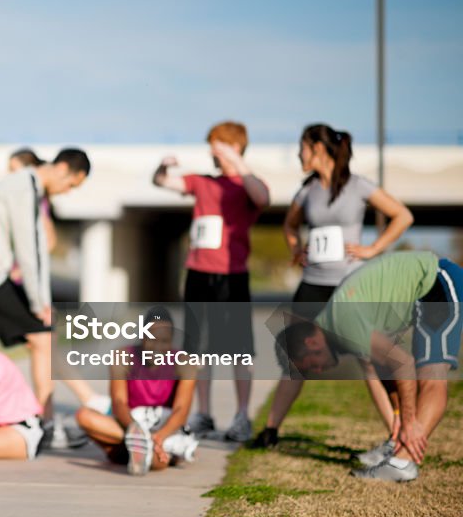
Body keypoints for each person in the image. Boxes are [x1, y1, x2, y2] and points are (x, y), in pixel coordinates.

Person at [253, 124, 413, 453]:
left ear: (317, 148)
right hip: (312, 284)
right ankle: (270, 430)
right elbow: (290, 224)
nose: (298, 154)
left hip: (349, 284)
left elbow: (402, 215)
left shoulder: (358, 186)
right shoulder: (306, 191)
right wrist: (295, 248)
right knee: (293, 359)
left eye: (302, 147)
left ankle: (395, 437)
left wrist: (372, 249)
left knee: (368, 359)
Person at [275, 251, 462, 482]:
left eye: (312, 365)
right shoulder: (336, 326)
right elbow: (382, 369)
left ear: (311, 342)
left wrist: (410, 420)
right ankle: (397, 446)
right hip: (423, 292)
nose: (319, 372)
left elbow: (403, 364)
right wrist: (398, 418)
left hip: (437, 282)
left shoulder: (343, 325)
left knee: (432, 374)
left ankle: (402, 463)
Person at [153, 121, 269, 442]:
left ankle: (242, 415)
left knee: (238, 350)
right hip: (197, 275)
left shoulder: (247, 185)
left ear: (234, 147)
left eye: (216, 145)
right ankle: (203, 413)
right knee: (196, 348)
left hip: (231, 276)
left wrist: (237, 161)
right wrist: (162, 166)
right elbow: (162, 182)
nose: (211, 152)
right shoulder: (201, 182)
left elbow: (262, 198)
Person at [0, 148, 104, 448]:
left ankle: (44, 422)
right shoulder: (26, 187)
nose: (67, 192)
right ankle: (44, 423)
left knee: (40, 341)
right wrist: (40, 304)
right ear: (63, 168)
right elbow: (31, 250)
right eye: (72, 184)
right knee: (41, 337)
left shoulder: (24, 185)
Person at [74, 307, 199, 475]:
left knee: (157, 460)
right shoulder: (123, 357)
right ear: (142, 337)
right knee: (84, 416)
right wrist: (136, 430)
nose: (158, 347)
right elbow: (119, 402)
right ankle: (139, 448)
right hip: (130, 426)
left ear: (172, 341)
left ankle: (142, 452)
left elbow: (181, 410)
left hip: (164, 430)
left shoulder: (185, 363)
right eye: (152, 339)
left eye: (165, 341)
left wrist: (159, 437)